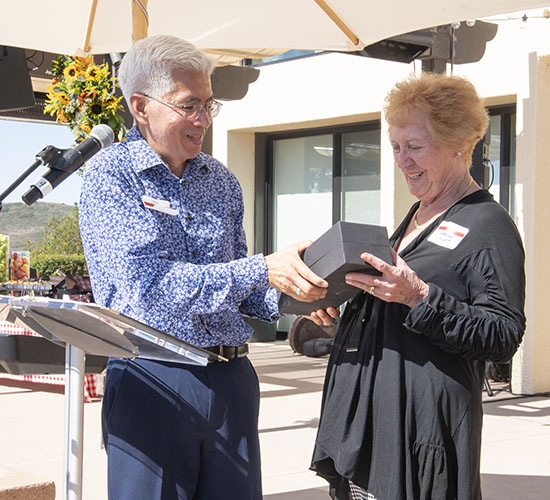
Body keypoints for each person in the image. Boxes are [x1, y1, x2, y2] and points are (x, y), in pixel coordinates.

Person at [79, 35, 329, 500]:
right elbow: (144, 288)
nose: (203, 120)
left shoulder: (221, 181)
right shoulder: (110, 176)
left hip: (231, 380)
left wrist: (299, 291)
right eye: (189, 105)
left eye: (209, 105)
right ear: (140, 106)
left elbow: (242, 288)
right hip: (153, 378)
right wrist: (260, 269)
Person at [308, 73, 526, 500]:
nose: (402, 160)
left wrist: (421, 297)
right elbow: (392, 312)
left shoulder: (488, 224)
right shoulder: (417, 215)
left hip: (420, 434)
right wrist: (338, 307)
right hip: (372, 429)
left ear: (459, 143)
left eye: (416, 147)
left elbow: (503, 336)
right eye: (395, 146)